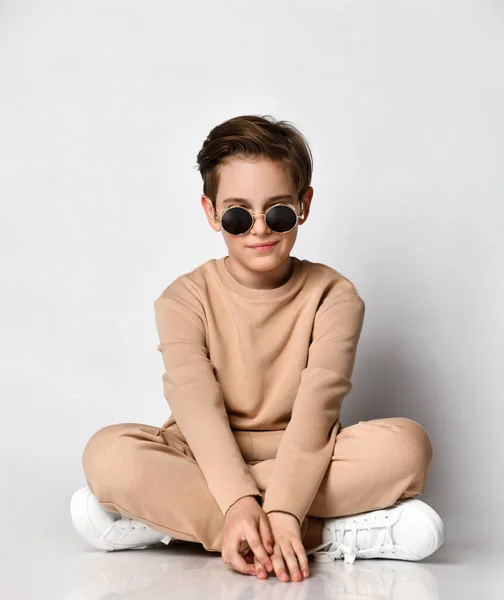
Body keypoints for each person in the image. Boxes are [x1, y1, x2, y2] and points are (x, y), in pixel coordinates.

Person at [70, 114, 445, 583]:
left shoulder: (334, 295)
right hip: (203, 455)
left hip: (305, 456)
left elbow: (317, 407)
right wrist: (240, 498)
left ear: (304, 205)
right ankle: (326, 534)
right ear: (211, 213)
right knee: (109, 455)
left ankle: (174, 524)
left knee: (407, 447)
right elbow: (196, 407)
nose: (260, 229)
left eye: (279, 211)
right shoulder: (182, 298)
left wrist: (284, 505)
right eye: (237, 215)